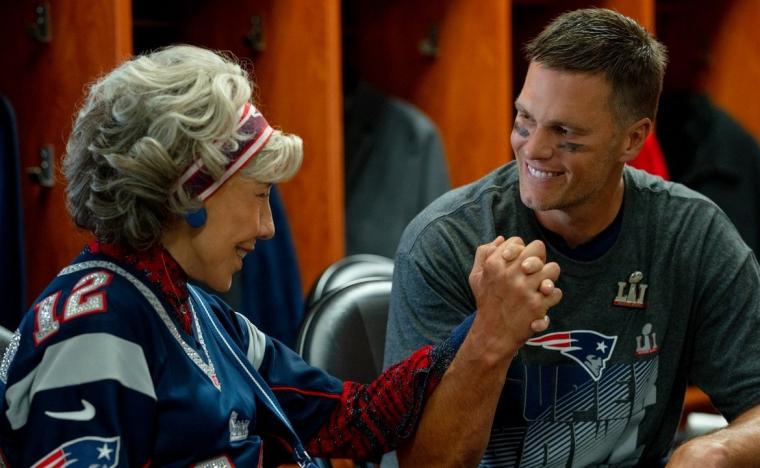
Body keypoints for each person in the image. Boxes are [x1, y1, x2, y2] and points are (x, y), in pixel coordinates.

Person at [0, 45, 561, 467]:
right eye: (260, 194)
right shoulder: (94, 331)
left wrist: (484, 322)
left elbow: (350, 421)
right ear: (191, 193)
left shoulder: (196, 310)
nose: (269, 228)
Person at [384, 7, 760, 467]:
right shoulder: (447, 241)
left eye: (565, 133)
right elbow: (422, 462)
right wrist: (489, 335)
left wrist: (719, 449)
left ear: (632, 140)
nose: (534, 149)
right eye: (525, 120)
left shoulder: (690, 235)